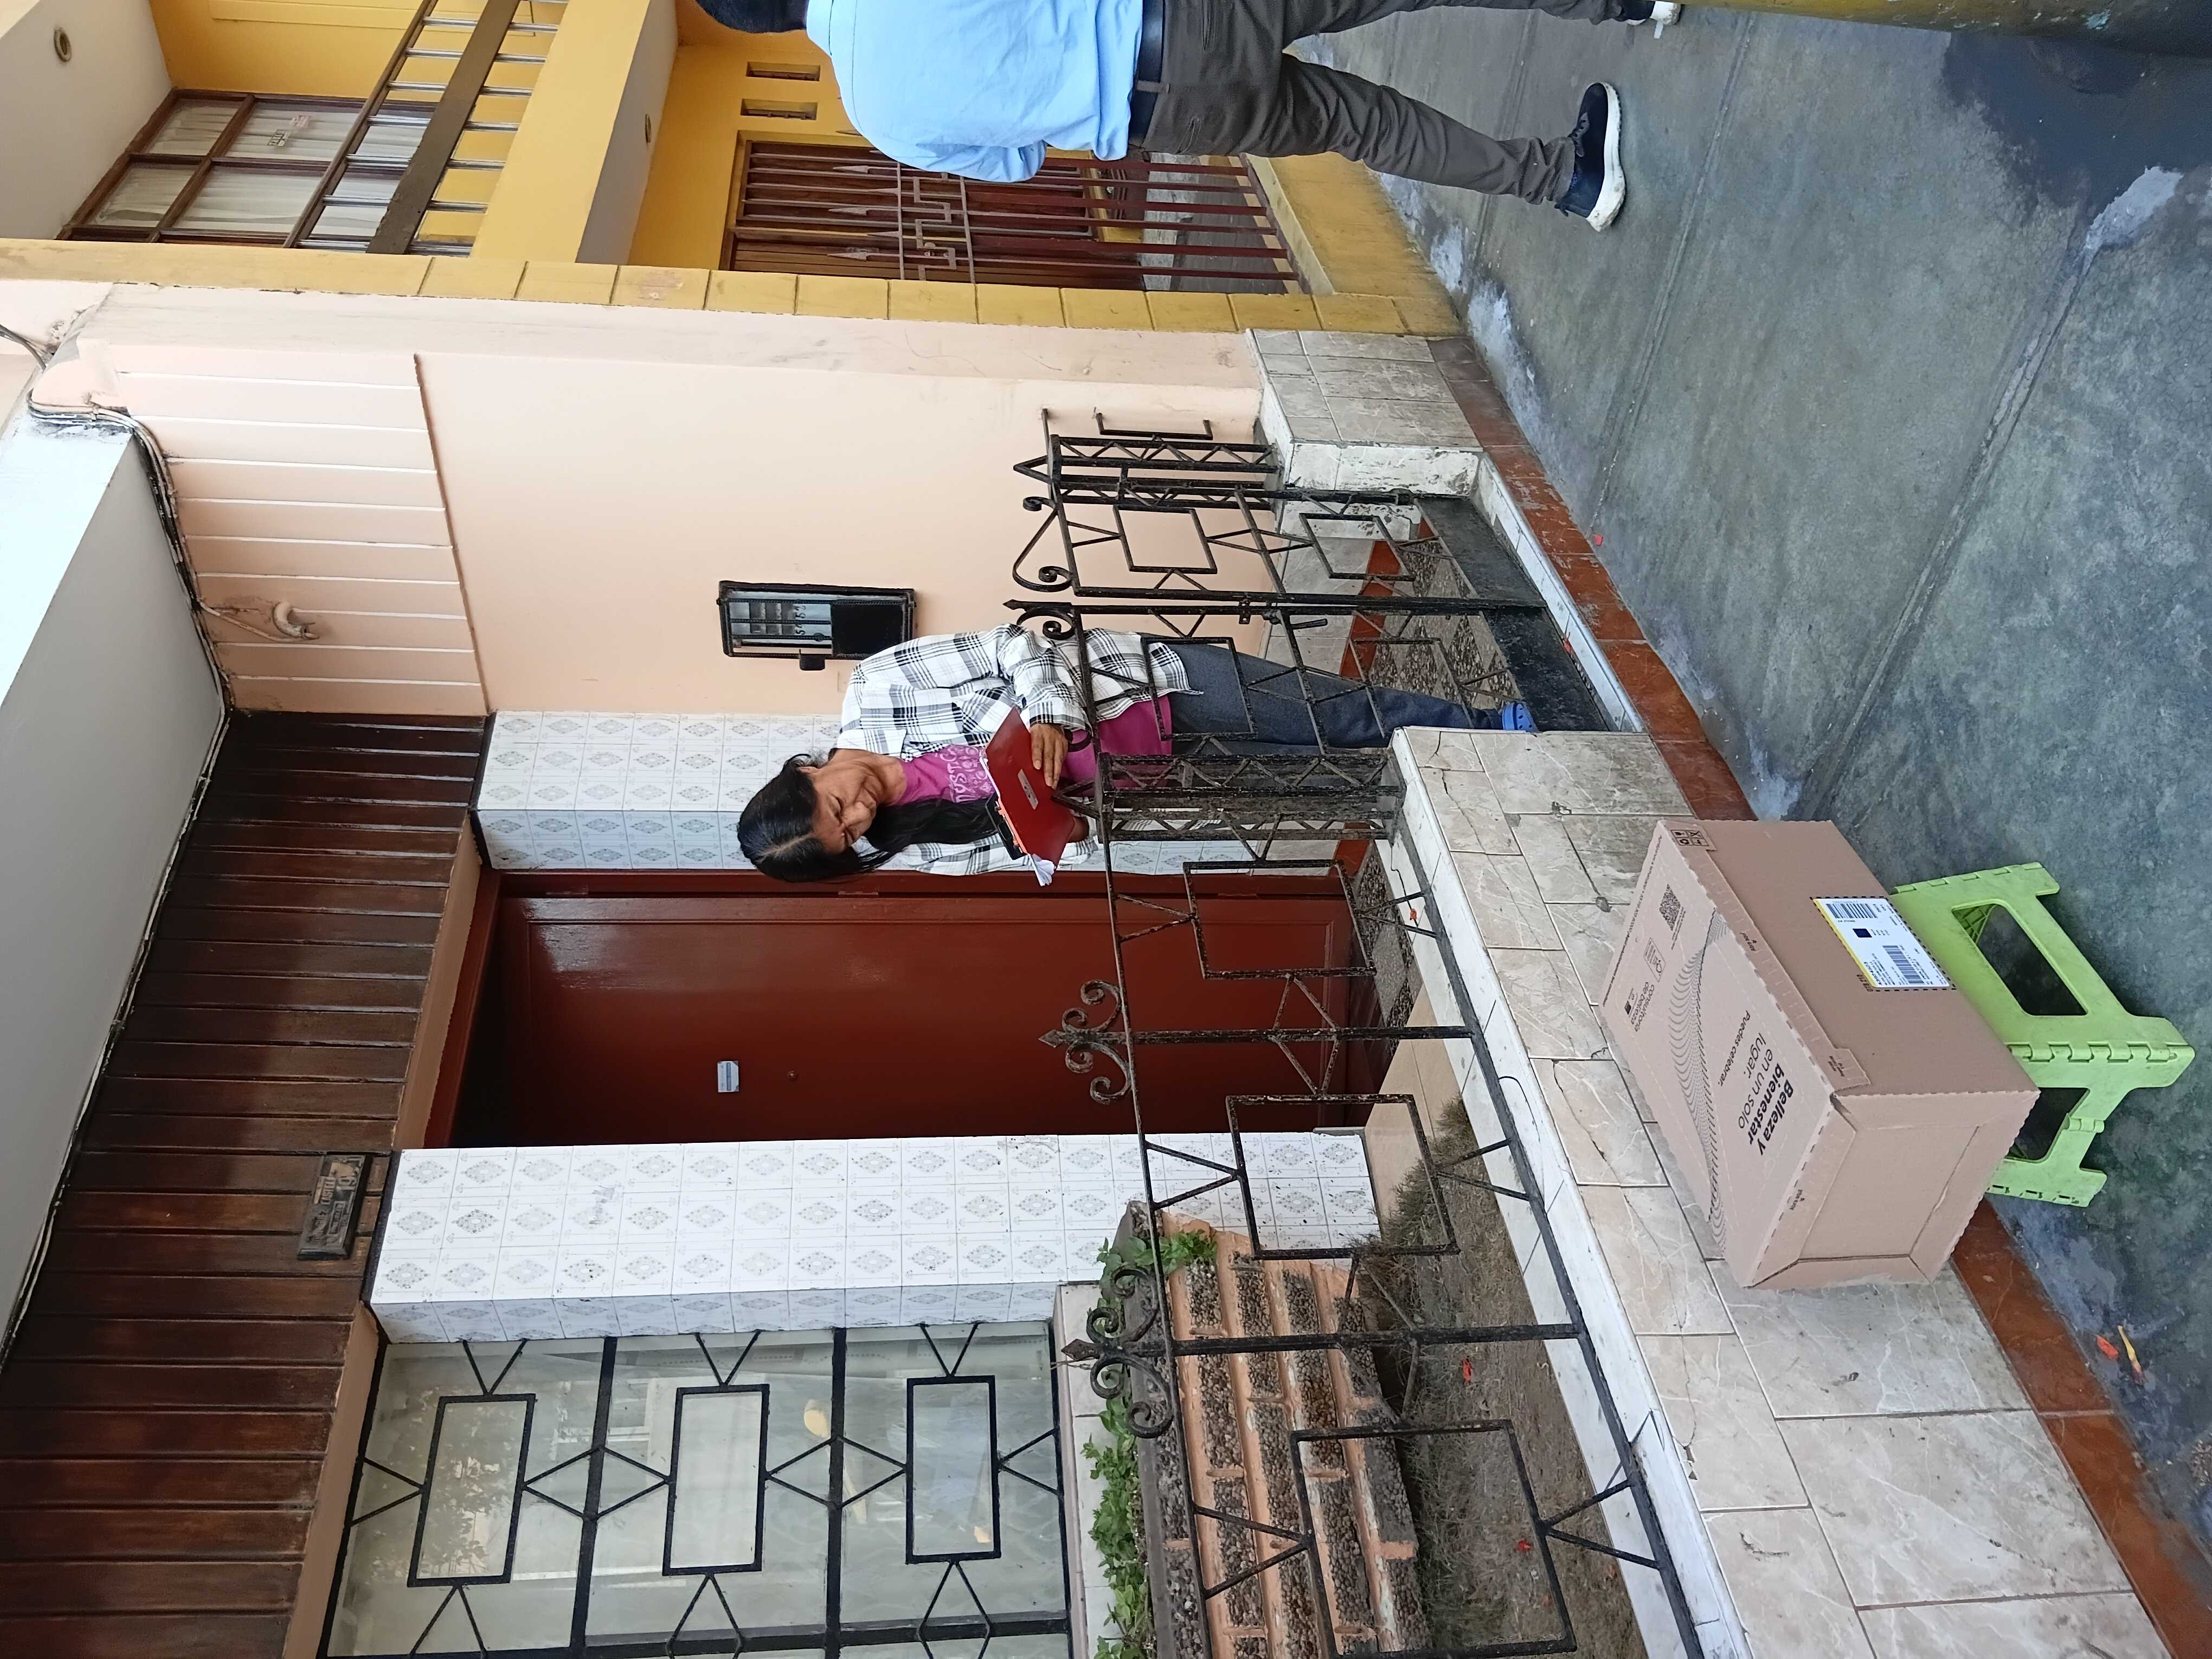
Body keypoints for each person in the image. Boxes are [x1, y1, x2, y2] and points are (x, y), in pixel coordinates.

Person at [700, 0, 1682, 232]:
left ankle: (1566, 181)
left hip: (1164, 119)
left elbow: (1020, 164)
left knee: (1366, 126)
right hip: (1183, 14)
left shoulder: (879, 116)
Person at [737, 622, 1532, 880]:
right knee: (1318, 773)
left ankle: (1492, 727)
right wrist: (1051, 836)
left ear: (804, 770)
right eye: (849, 834)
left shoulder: (879, 688)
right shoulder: (915, 845)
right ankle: (1473, 776)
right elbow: (1054, 851)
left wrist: (1047, 717)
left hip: (1148, 691)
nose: (862, 814)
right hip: (1151, 779)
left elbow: (1012, 646)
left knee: (1330, 713)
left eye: (838, 803)